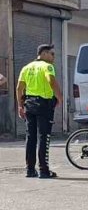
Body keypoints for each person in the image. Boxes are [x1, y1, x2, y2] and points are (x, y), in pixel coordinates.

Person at [16, 44, 61, 179]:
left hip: (29, 104)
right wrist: (60, 97)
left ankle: (30, 170)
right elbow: (51, 81)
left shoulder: (26, 67)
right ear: (44, 53)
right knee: (44, 136)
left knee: (31, 137)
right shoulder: (47, 66)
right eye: (52, 54)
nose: (53, 57)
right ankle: (44, 170)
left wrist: (20, 106)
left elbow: (19, 88)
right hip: (44, 105)